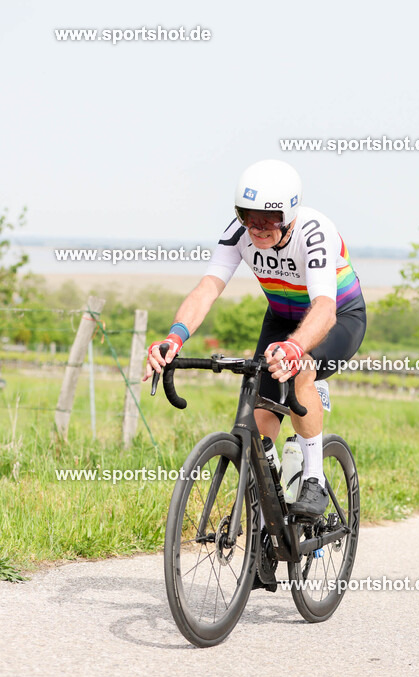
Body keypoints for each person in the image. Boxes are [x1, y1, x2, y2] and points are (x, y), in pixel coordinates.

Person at [142, 159, 366, 517]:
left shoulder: (316, 232)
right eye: (247, 216)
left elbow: (324, 308)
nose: (256, 229)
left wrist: (295, 348)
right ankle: (270, 515)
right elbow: (207, 290)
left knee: (302, 371)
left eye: (267, 220)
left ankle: (313, 478)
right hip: (281, 318)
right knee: (261, 415)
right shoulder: (238, 233)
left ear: (289, 214)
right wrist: (175, 337)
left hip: (337, 319)